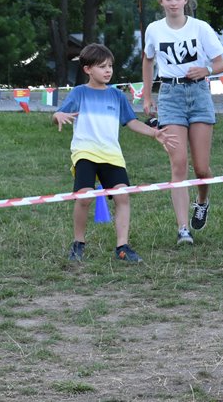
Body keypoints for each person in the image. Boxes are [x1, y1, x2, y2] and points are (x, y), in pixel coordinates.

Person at [53, 44, 176, 263]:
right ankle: (78, 243)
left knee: (122, 195)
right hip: (85, 152)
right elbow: (59, 114)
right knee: (84, 197)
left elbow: (131, 122)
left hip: (111, 154)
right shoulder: (79, 93)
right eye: (102, 66)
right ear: (87, 69)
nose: (108, 70)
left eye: (110, 66)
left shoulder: (117, 95)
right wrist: (58, 116)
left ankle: (122, 247)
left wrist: (154, 133)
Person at [142, 0, 223, 245]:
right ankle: (182, 229)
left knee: (201, 168)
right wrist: (147, 95)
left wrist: (206, 70)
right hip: (170, 95)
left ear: (185, 0)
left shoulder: (200, 28)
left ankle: (202, 202)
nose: (173, 3)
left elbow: (221, 63)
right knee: (178, 164)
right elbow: (148, 59)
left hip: (199, 94)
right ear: (161, 1)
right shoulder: (154, 30)